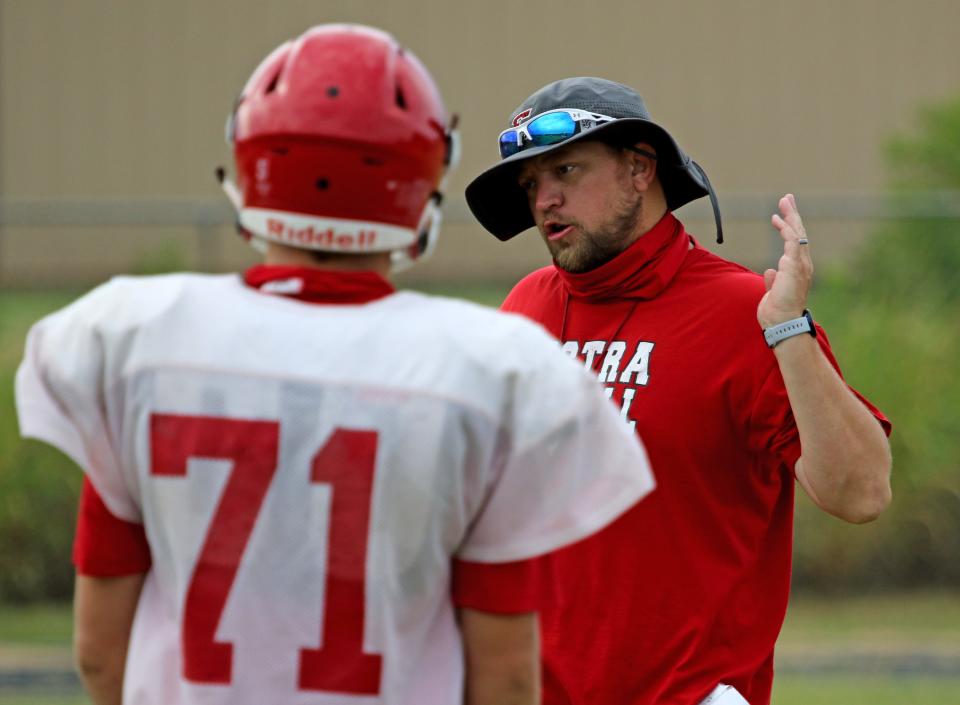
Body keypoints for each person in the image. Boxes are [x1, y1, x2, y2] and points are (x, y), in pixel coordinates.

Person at [14, 39, 656, 705]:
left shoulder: (135, 338)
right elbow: (505, 674)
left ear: (249, 167)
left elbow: (98, 649)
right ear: (420, 185)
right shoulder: (489, 366)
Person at [464, 77, 893, 705]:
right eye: (530, 184)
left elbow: (861, 493)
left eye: (566, 169)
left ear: (640, 169)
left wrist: (790, 332)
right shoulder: (524, 308)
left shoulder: (746, 312)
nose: (544, 200)